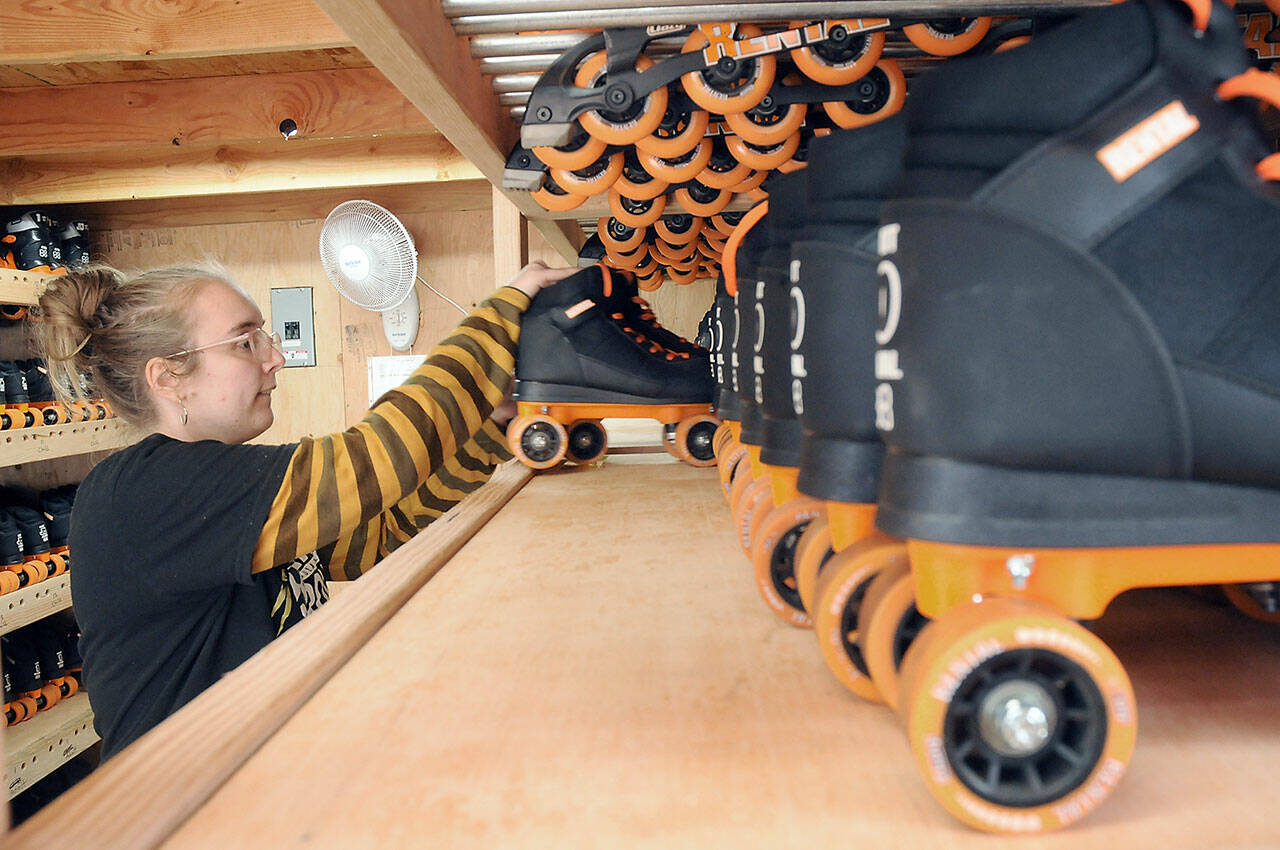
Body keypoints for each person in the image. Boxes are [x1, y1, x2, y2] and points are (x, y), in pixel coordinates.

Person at [35, 260, 575, 759]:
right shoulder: (142, 492)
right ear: (167, 377)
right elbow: (374, 458)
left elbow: (383, 531)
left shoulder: (222, 487)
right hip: (181, 805)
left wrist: (491, 422)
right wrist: (503, 312)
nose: (276, 357)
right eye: (245, 342)